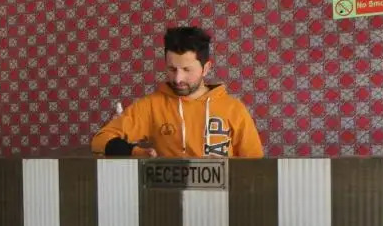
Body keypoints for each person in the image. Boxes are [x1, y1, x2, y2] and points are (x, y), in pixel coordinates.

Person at [90, 26, 264, 158]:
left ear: (206, 68)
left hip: (222, 195)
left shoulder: (234, 109)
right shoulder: (151, 106)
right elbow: (100, 140)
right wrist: (134, 152)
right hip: (167, 195)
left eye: (187, 70)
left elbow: (255, 166)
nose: (178, 78)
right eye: (172, 69)